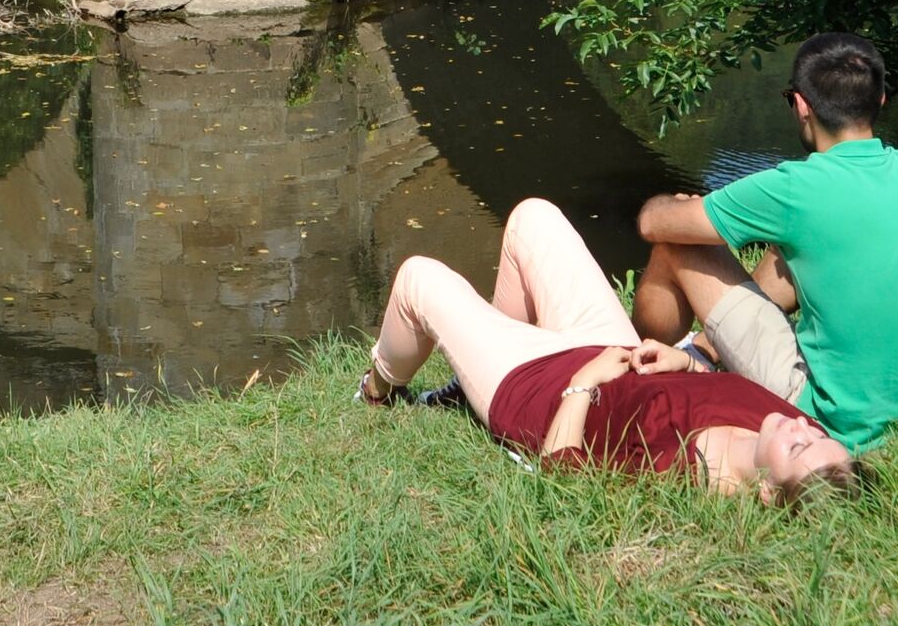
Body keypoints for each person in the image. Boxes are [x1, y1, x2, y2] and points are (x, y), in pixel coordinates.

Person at [359, 197, 856, 502]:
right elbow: (710, 394)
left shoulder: (682, 475)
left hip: (536, 388)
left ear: (766, 491)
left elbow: (561, 474)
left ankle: (377, 390)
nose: (799, 427)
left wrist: (584, 384)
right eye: (813, 433)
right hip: (611, 348)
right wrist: (687, 362)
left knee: (418, 279)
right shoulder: (778, 420)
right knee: (534, 217)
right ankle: (471, 379)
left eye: (798, 447)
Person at [632, 32, 898, 454]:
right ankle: (702, 350)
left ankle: (638, 358)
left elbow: (652, 224)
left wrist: (678, 207)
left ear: (801, 105)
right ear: (881, 99)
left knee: (676, 244)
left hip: (835, 421)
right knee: (796, 249)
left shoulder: (796, 189)